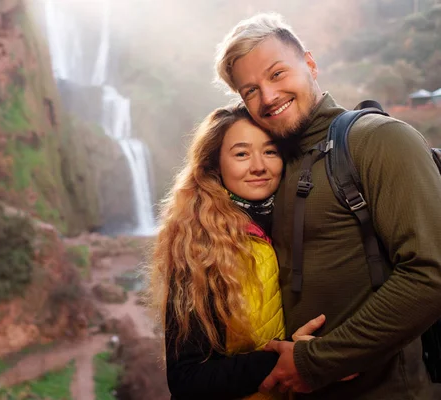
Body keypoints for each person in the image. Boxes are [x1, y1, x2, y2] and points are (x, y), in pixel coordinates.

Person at [214, 12, 441, 399]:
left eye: (277, 73)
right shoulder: (276, 166)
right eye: (249, 90)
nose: (268, 97)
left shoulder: (379, 140)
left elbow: (431, 274)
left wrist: (317, 361)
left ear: (311, 63)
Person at [148, 104, 324, 399]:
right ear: (215, 165)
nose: (258, 166)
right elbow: (187, 378)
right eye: (241, 154)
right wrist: (286, 359)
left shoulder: (299, 223)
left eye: (270, 151)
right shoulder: (199, 246)